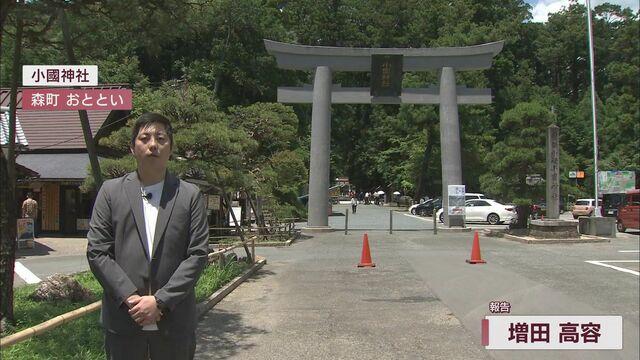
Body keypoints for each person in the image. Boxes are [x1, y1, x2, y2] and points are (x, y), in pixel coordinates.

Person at [87, 112, 209, 360]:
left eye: (161, 138)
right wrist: (131, 298)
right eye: (145, 138)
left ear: (170, 148)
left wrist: (160, 301)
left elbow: (197, 254)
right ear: (133, 147)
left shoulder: (189, 195)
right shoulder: (110, 192)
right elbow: (97, 251)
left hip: (174, 324)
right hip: (124, 321)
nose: (153, 144)